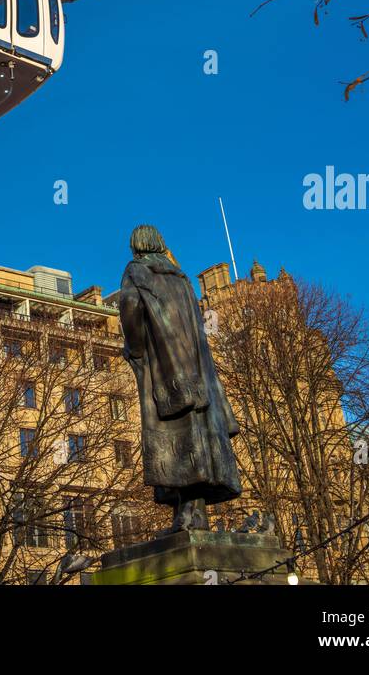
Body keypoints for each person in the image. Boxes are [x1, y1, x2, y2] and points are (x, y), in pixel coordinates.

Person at [118, 223, 242, 532]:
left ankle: (189, 514)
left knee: (177, 440)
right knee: (196, 437)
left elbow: (130, 307)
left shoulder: (137, 271)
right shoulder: (182, 279)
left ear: (136, 247)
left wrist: (134, 349)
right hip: (198, 375)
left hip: (164, 370)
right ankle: (191, 513)